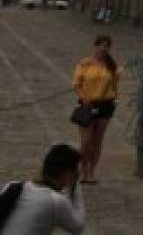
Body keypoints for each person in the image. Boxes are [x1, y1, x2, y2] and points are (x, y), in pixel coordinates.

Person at [0, 144, 86, 234]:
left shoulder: (12, 186)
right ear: (68, 174)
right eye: (76, 174)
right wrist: (75, 187)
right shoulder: (55, 201)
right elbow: (78, 227)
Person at [71, 35, 119, 184]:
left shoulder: (112, 66)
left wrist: (115, 99)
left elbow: (115, 85)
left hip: (105, 105)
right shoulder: (85, 64)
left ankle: (92, 172)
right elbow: (76, 84)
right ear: (95, 46)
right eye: (101, 45)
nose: (103, 48)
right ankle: (82, 171)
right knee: (86, 141)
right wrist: (83, 98)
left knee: (97, 141)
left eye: (106, 46)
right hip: (87, 104)